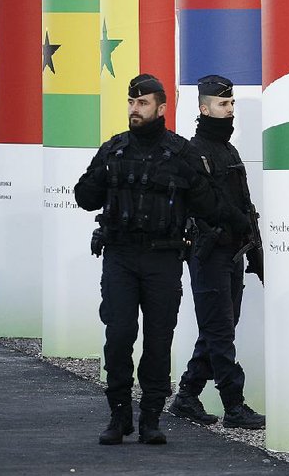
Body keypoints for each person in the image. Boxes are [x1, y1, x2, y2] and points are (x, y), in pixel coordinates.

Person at [74, 74, 222, 446]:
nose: (134, 109)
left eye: (142, 103)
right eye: (131, 103)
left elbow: (208, 204)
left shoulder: (181, 152)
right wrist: (104, 176)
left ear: (161, 107)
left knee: (159, 340)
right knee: (119, 336)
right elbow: (84, 196)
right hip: (121, 256)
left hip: (163, 259)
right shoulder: (115, 150)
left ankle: (151, 417)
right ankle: (119, 414)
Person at [168, 75, 266, 430]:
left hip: (231, 253)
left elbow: (244, 203)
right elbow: (208, 206)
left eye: (232, 104)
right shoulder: (193, 153)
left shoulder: (229, 152)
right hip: (207, 253)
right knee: (220, 330)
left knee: (220, 326)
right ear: (203, 108)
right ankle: (234, 405)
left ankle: (188, 394)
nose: (229, 111)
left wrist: (255, 251)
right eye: (223, 105)